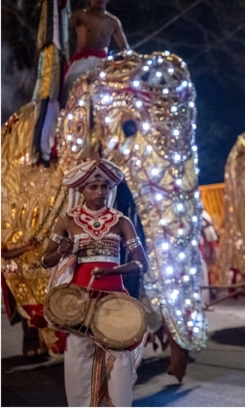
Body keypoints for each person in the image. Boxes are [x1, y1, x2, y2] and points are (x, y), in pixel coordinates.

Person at [41, 159, 147, 407]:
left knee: (120, 360)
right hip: (78, 303)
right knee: (79, 358)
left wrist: (113, 270)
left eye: (105, 187)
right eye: (93, 187)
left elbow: (142, 264)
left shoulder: (122, 221)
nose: (100, 192)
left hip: (114, 300)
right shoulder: (67, 220)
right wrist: (62, 251)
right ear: (81, 190)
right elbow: (46, 260)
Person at [62, 0, 129, 102]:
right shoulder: (81, 15)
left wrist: (126, 64)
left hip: (103, 63)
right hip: (82, 61)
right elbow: (62, 26)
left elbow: (124, 48)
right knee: (70, 91)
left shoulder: (113, 21)